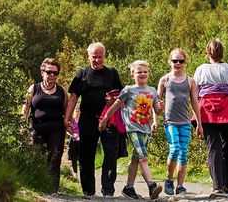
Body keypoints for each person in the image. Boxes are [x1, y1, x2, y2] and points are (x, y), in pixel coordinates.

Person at [64, 42, 123, 198]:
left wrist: (113, 100)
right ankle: (88, 191)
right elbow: (73, 98)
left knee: (111, 154)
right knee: (86, 155)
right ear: (88, 56)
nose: (97, 60)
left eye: (100, 57)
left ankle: (108, 190)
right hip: (87, 119)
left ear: (105, 56)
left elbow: (121, 95)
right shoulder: (81, 74)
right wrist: (67, 119)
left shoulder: (112, 73)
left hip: (109, 119)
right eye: (94, 57)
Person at [100, 60, 162, 200]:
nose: (143, 74)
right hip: (132, 129)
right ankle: (151, 186)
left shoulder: (152, 90)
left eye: (145, 72)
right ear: (132, 74)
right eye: (139, 72)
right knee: (143, 157)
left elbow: (156, 111)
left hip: (146, 130)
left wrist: (161, 108)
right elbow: (115, 106)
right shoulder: (128, 90)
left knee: (136, 159)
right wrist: (104, 119)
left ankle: (128, 187)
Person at [193, 38, 228, 195]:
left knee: (213, 148)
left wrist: (194, 111)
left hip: (206, 111)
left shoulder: (200, 69)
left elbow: (195, 92)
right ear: (222, 52)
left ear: (207, 52)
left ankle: (217, 186)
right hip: (227, 110)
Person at [157, 48, 203, 196]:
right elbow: (156, 102)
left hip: (185, 123)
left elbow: (195, 103)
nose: (177, 63)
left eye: (181, 61)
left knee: (183, 153)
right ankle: (169, 180)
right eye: (175, 61)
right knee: (175, 148)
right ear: (169, 62)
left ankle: (180, 186)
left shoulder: (191, 81)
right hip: (170, 122)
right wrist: (155, 119)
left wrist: (199, 124)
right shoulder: (165, 80)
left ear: (185, 63)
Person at [22, 57, 67, 193]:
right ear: (42, 72)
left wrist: (69, 125)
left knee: (54, 157)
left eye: (55, 73)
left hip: (56, 129)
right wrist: (22, 124)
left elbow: (67, 111)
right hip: (36, 128)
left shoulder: (62, 91)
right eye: (49, 72)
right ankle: (36, 185)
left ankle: (52, 189)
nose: (52, 75)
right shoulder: (33, 88)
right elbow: (25, 107)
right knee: (35, 157)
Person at [67, 107, 80, 179]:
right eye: (76, 109)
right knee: (74, 158)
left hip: (81, 140)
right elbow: (67, 130)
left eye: (79, 109)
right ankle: (75, 173)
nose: (77, 110)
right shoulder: (72, 120)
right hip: (73, 140)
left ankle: (82, 172)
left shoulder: (82, 121)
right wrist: (72, 135)